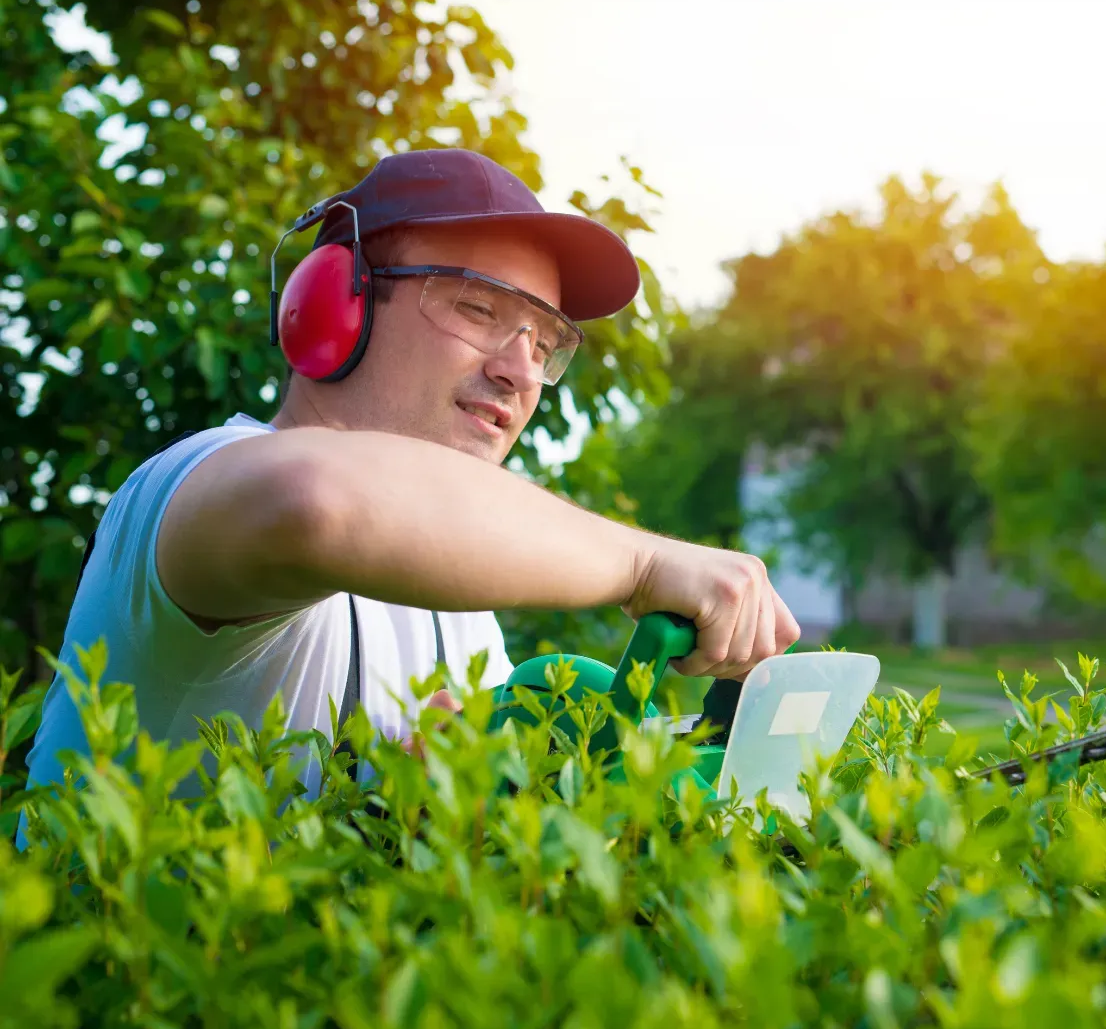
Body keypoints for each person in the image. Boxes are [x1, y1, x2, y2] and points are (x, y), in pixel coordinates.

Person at [21, 148, 800, 841]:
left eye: (544, 342)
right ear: (336, 304)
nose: (521, 372)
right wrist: (644, 564)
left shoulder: (451, 599)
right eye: (478, 308)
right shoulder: (199, 485)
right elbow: (319, 500)